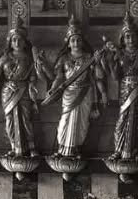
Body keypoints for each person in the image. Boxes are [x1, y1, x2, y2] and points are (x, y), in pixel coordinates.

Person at [42, 17, 106, 159]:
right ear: (68, 43)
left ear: (83, 42)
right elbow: (59, 77)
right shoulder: (64, 59)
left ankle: (76, 148)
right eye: (73, 40)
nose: (76, 43)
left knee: (82, 124)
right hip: (68, 92)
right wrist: (53, 89)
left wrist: (98, 62)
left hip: (85, 93)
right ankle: (62, 147)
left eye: (78, 40)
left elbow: (98, 76)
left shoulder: (89, 57)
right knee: (65, 121)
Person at [0, 17, 43, 158]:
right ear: (10, 42)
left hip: (23, 91)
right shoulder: (4, 57)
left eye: (20, 40)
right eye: (14, 40)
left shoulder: (29, 58)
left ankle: (31, 146)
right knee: (10, 120)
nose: (17, 42)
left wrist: (31, 85)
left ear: (25, 42)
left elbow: (32, 75)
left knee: (25, 119)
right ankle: (14, 146)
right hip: (8, 92)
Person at [103, 14, 138, 162]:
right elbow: (115, 76)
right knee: (122, 120)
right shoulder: (119, 54)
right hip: (125, 89)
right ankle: (119, 149)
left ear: (137, 37)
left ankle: (137, 150)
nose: (130, 40)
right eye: (127, 37)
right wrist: (110, 62)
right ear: (123, 39)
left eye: (132, 36)